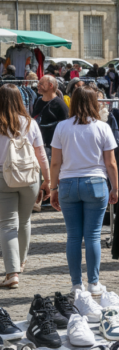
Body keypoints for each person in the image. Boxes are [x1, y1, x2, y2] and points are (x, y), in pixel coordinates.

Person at [50, 86, 119, 294]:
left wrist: (53, 188)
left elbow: (55, 163)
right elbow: (111, 163)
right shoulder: (102, 127)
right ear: (94, 103)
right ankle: (94, 283)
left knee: (73, 236)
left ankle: (76, 284)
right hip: (96, 183)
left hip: (68, 184)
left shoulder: (62, 127)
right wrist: (115, 187)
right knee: (92, 235)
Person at [0, 85, 50, 289]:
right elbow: (42, 155)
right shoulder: (30, 123)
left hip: (3, 177)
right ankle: (20, 262)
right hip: (30, 176)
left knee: (7, 224)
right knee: (25, 220)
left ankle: (12, 273)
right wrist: (48, 181)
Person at [32, 75, 70, 157]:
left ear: (50, 85)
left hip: (52, 148)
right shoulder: (38, 101)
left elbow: (66, 128)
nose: (38, 85)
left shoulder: (60, 105)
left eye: (41, 83)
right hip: (38, 144)